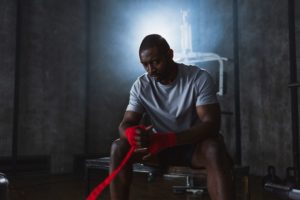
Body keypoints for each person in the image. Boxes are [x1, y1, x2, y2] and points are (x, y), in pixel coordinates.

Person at [109, 34, 234, 200]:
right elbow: (126, 124)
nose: (150, 70)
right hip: (158, 148)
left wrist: (169, 139)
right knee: (118, 147)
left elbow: (211, 124)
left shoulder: (198, 78)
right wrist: (133, 134)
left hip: (193, 147)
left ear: (170, 54)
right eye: (145, 65)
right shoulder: (141, 86)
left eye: (155, 62)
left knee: (213, 148)